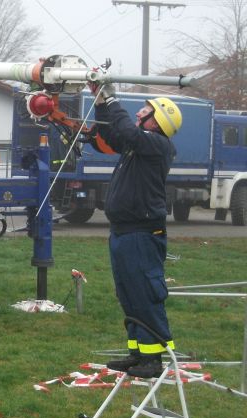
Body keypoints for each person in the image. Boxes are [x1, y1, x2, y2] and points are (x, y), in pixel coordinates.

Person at [88, 81, 182, 378]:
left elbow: (126, 131)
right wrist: (101, 102)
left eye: (145, 110)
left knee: (145, 293)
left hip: (142, 234)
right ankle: (138, 353)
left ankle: (154, 359)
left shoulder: (157, 145)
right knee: (127, 293)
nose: (139, 112)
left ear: (157, 121)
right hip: (124, 232)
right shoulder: (138, 145)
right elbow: (113, 134)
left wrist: (113, 98)